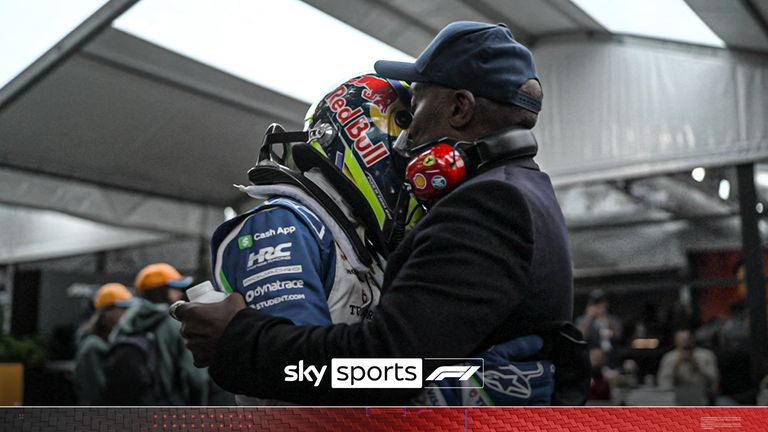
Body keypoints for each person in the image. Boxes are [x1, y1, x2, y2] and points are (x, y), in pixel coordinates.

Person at [177, 21, 587, 405]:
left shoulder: (491, 202)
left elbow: (388, 365)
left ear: (461, 109)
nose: (405, 140)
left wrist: (236, 339)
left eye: (417, 105)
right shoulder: (524, 189)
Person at [103, 263, 214, 405]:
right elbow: (196, 379)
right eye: (174, 288)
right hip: (170, 409)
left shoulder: (125, 322)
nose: (179, 293)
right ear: (162, 291)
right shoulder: (174, 323)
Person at [74, 283, 135, 405]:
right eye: (123, 308)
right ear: (106, 312)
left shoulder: (113, 338)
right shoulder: (92, 346)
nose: (128, 313)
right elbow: (94, 392)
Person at [657, 329, 719, 405]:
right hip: (676, 395)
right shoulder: (669, 357)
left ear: (693, 340)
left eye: (688, 339)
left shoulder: (706, 355)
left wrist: (696, 366)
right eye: (682, 340)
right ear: (676, 341)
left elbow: (713, 380)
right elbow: (663, 382)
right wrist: (676, 366)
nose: (685, 342)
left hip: (701, 394)